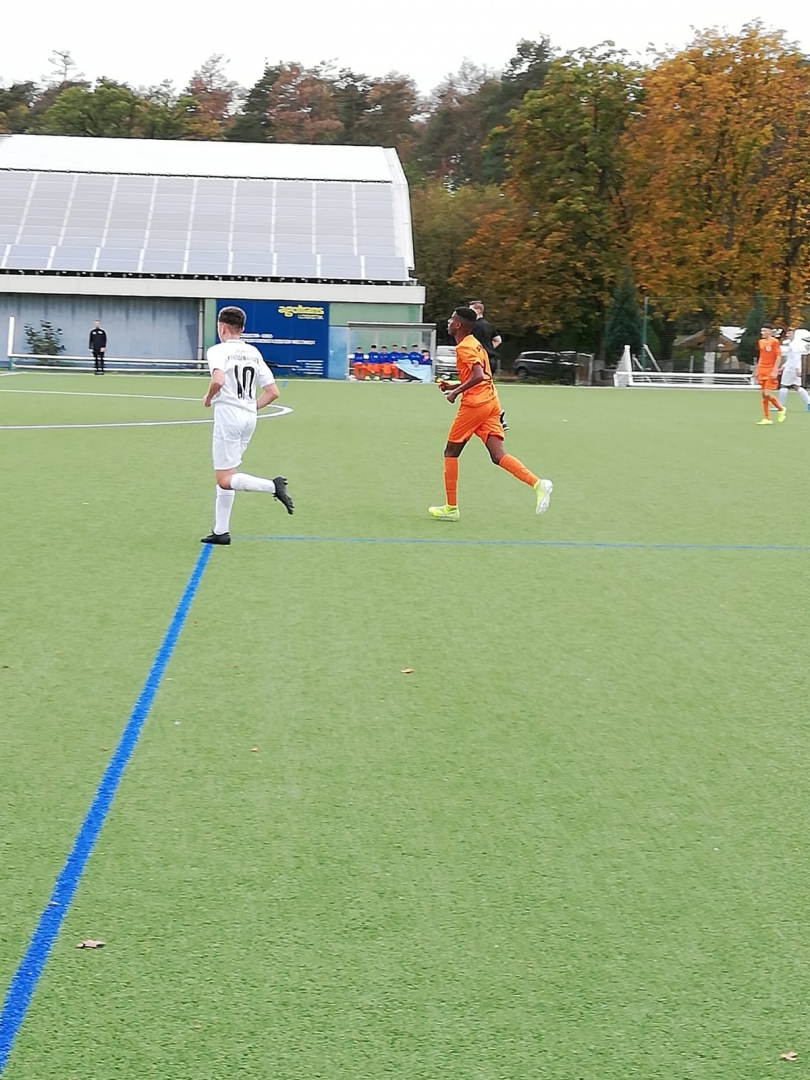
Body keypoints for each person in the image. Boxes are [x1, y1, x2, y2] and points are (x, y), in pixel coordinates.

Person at [429, 306, 552, 520]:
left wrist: (455, 393)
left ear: (458, 324)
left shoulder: (464, 347)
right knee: (498, 455)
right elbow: (481, 376)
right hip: (491, 402)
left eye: (451, 319)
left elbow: (478, 376)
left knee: (450, 452)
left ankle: (451, 508)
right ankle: (538, 484)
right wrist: (453, 386)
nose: (448, 322)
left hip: (475, 405)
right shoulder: (474, 343)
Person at [201, 306, 294, 546]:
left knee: (224, 478)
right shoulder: (253, 352)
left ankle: (272, 486)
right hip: (249, 418)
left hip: (228, 416)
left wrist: (208, 398)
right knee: (228, 471)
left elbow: (218, 380)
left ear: (221, 328)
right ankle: (221, 531)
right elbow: (272, 392)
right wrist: (250, 408)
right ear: (241, 329)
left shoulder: (217, 350)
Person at [468, 301, 508, 429]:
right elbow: (498, 340)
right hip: (491, 360)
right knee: (487, 388)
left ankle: (496, 414)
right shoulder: (489, 325)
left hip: (480, 361)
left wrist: (481, 352)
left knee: (477, 389)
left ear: (478, 311)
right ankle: (495, 415)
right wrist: (489, 350)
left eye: (471, 310)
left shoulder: (472, 326)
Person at [755, 325, 785, 425]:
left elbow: (778, 356)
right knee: (764, 395)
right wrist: (757, 369)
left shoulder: (774, 342)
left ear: (770, 332)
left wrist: (775, 370)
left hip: (770, 370)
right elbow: (761, 356)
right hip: (762, 370)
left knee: (767, 394)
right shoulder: (760, 342)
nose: (762, 333)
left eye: (764, 331)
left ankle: (780, 409)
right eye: (762, 331)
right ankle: (767, 418)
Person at [777, 328, 810, 412]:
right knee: (797, 386)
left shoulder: (794, 344)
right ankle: (809, 403)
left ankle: (780, 406)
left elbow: (796, 358)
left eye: (790, 333)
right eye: (787, 333)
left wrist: (797, 369)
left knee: (784, 385)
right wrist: (783, 367)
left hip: (791, 369)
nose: (787, 335)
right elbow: (791, 358)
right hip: (792, 368)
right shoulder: (793, 344)